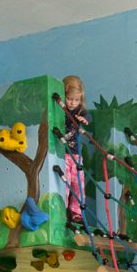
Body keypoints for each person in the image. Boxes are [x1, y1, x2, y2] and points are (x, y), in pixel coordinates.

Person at [58, 75, 91, 225]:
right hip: (63, 153)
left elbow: (87, 115)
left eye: (76, 100)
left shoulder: (79, 110)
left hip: (76, 155)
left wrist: (85, 120)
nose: (72, 103)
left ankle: (76, 212)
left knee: (78, 183)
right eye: (69, 98)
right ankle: (62, 209)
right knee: (65, 182)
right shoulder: (61, 109)